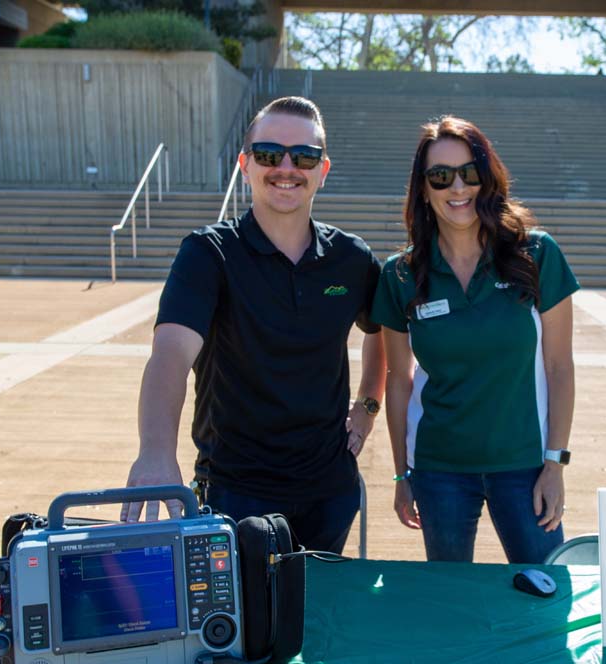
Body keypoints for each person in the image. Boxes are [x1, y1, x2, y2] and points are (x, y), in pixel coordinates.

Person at [122, 96, 386, 554]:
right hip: (235, 492)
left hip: (330, 490)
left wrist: (367, 404)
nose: (286, 168)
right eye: (269, 154)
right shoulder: (208, 254)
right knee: (243, 603)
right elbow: (170, 355)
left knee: (318, 600)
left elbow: (381, 331)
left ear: (322, 170)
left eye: (304, 157)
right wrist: (155, 451)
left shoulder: (352, 259)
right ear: (245, 165)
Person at [371, 116, 578, 564]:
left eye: (469, 172)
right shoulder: (400, 274)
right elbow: (399, 380)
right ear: (423, 189)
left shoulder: (536, 254)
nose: (458, 187)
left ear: (488, 177)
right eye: (441, 176)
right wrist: (401, 475)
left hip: (525, 466)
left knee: (546, 590)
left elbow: (559, 367)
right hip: (438, 469)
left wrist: (555, 464)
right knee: (452, 598)